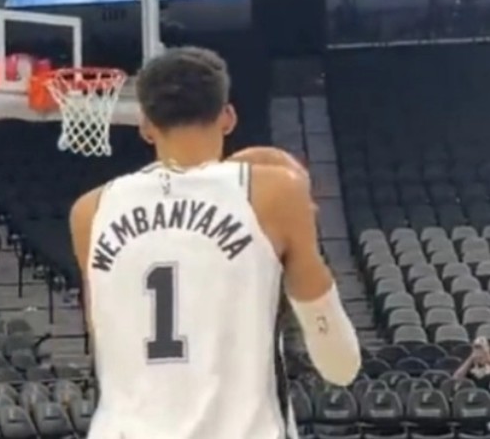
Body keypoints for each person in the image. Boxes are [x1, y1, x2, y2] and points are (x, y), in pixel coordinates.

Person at [70, 47, 361, 439]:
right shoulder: (274, 190)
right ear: (228, 117)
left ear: (146, 125)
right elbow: (340, 365)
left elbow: (104, 337)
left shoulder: (90, 211)